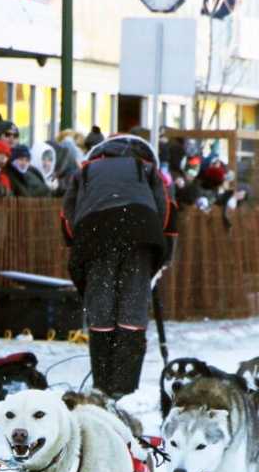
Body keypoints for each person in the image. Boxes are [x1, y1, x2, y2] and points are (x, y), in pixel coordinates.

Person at [61, 133, 176, 399]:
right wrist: (161, 258)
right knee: (132, 308)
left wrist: (76, 247)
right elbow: (167, 211)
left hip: (94, 233)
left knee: (101, 307)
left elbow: (67, 215)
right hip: (141, 230)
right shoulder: (146, 168)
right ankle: (124, 386)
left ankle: (103, 382)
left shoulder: (86, 171)